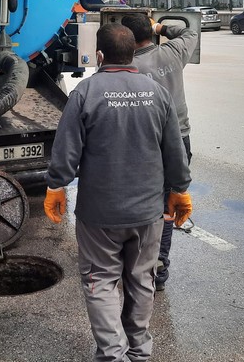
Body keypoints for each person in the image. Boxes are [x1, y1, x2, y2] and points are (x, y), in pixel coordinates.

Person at [44, 22, 192, 362]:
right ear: (135, 53)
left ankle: (112, 354)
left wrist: (56, 186)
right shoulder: (157, 92)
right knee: (142, 279)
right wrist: (180, 190)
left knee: (101, 282)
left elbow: (66, 152)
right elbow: (175, 150)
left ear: (99, 55)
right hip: (148, 213)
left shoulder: (85, 93)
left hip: (100, 214)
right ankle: (139, 351)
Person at [120, 13, 199, 292]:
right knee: (167, 206)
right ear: (151, 33)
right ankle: (159, 266)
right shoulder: (174, 52)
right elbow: (190, 32)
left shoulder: (126, 67)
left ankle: (134, 263)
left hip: (145, 144)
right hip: (180, 140)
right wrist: (160, 26)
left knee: (141, 204)